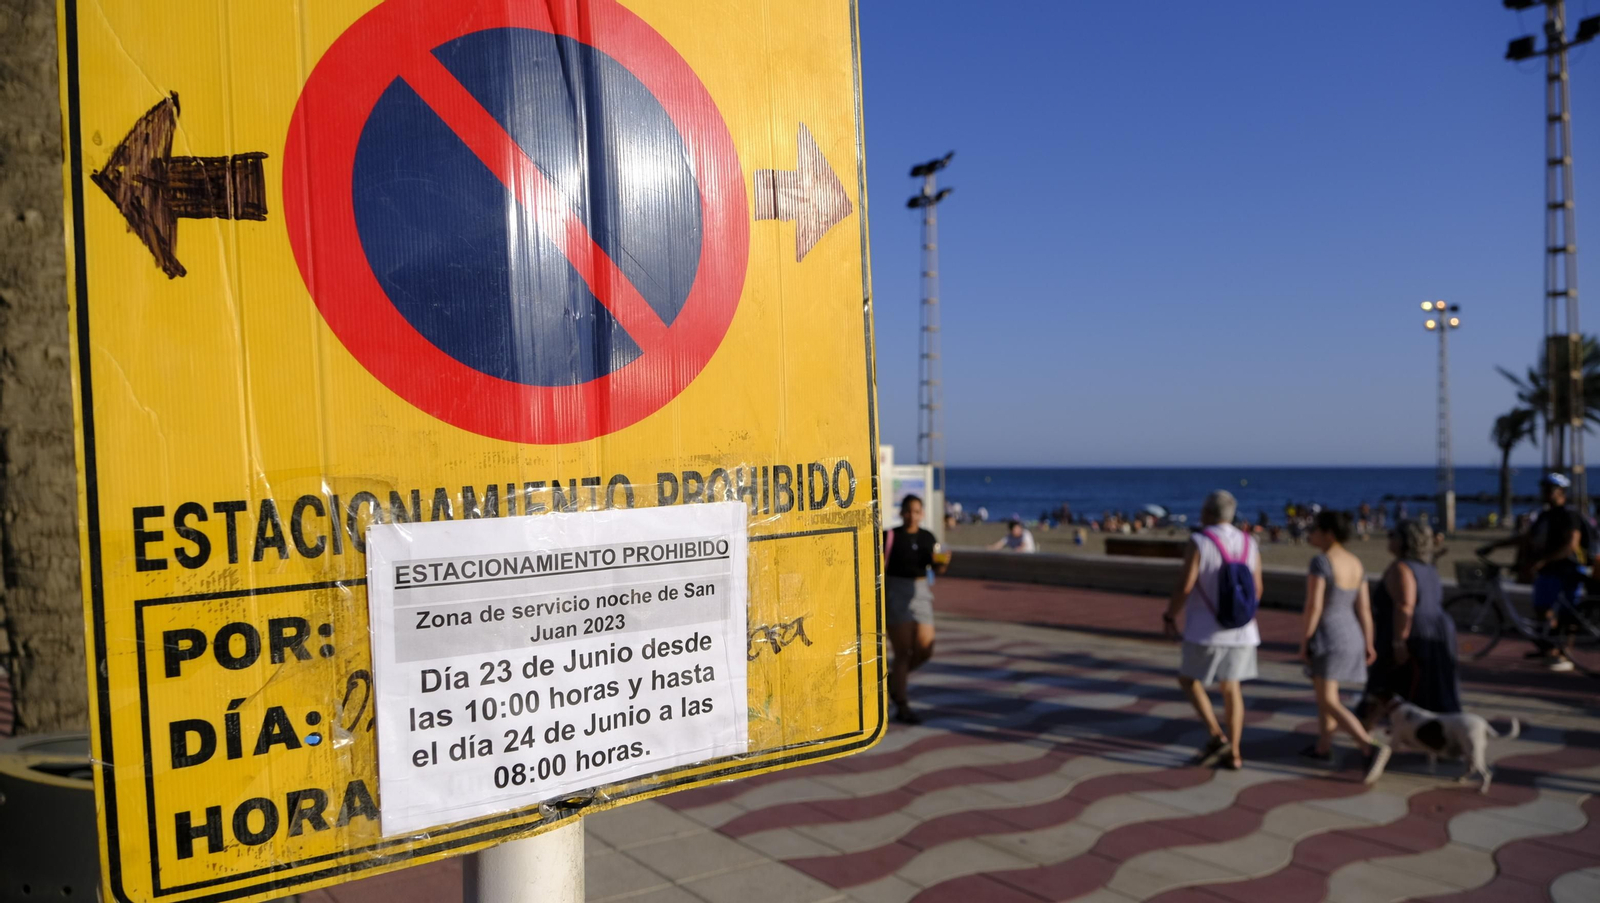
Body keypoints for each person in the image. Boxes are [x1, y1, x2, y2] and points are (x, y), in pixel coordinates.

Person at [1162, 490, 1261, 771]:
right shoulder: (1248, 542)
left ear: (1207, 514)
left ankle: (1217, 736)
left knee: (1188, 680)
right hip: (1242, 630)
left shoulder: (1200, 541)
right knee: (1232, 688)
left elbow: (1185, 585)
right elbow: (1258, 588)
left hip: (1206, 629)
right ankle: (1236, 752)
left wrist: (1170, 614)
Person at [1300, 511, 1390, 782]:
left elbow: (1314, 605)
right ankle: (1323, 747)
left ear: (1328, 533)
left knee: (1328, 699)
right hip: (1351, 634)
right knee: (1325, 696)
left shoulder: (1321, 562)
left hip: (1328, 635)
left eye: (1315, 529)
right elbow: (1364, 608)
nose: (1310, 533)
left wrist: (1305, 639)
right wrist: (1369, 641)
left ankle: (1367, 746)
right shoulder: (1355, 562)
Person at [1367, 520, 1461, 713]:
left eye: (1392, 534)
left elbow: (1405, 606)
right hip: (1436, 630)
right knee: (1431, 687)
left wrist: (1399, 642)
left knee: (1384, 684)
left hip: (1413, 632)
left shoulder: (1402, 567)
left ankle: (1363, 732)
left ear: (1404, 541)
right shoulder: (1428, 567)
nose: (1388, 538)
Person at [884, 495, 947, 724]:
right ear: (902, 512)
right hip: (895, 593)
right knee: (903, 653)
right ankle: (902, 704)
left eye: (917, 511)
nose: (913, 515)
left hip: (920, 592)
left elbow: (937, 568)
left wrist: (943, 563)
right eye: (909, 510)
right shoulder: (890, 536)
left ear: (922, 513)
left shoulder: (927, 537)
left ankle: (892, 681)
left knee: (925, 648)